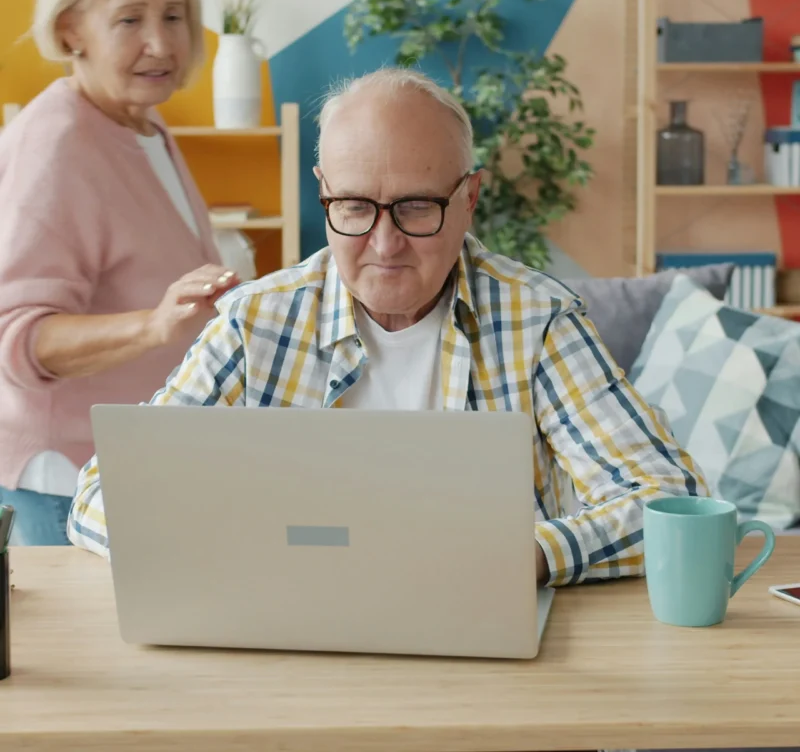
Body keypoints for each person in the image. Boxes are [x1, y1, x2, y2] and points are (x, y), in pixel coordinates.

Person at [68, 68, 708, 585]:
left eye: (415, 207)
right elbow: (103, 494)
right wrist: (228, 554)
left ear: (469, 198)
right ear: (322, 191)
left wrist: (535, 555)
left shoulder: (538, 320)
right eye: (352, 206)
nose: (385, 243)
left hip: (484, 650)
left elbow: (670, 500)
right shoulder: (254, 322)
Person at [0, 0, 241, 545]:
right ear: (69, 30)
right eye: (130, 20)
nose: (160, 44)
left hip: (126, 466)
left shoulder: (142, 127)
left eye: (174, 16)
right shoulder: (58, 142)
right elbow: (17, 336)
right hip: (65, 484)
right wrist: (153, 326)